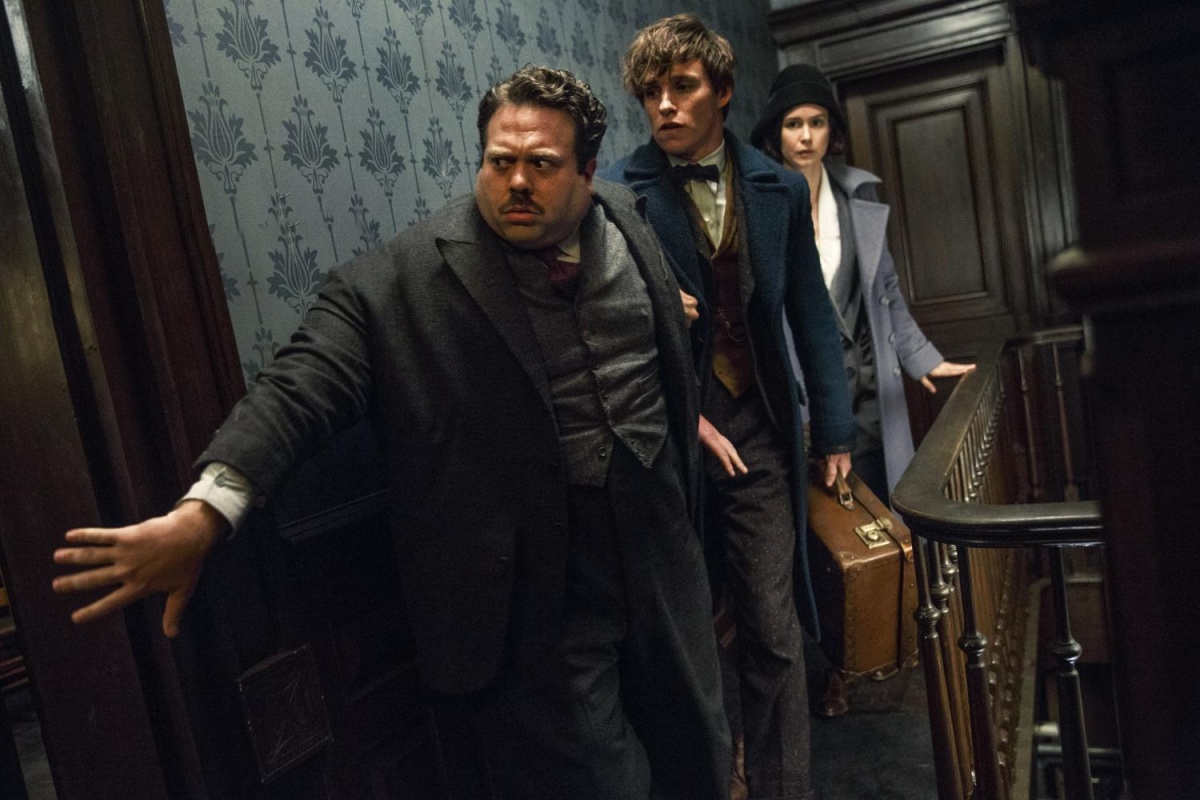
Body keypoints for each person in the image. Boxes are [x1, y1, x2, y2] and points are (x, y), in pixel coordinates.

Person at [52, 66, 731, 800]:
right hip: (541, 586)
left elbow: (667, 345)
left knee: (694, 747)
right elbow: (301, 386)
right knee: (597, 782)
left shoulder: (628, 215)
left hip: (660, 541)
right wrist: (205, 511)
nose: (517, 182)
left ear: (588, 172)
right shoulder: (399, 278)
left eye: (542, 164)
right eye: (499, 161)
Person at [601, 15, 856, 800]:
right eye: (651, 93)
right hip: (670, 433)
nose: (664, 106)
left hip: (760, 427)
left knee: (772, 626)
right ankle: (720, 776)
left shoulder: (776, 186)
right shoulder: (618, 192)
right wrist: (654, 307)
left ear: (721, 91)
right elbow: (596, 323)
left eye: (681, 88)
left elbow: (812, 315)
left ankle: (783, 787)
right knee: (694, 633)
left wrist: (835, 431)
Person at [751, 63, 974, 505]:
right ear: (777, 133)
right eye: (793, 124)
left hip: (868, 391)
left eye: (817, 122)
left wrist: (923, 358)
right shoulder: (760, 205)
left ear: (830, 130)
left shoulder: (857, 196)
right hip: (804, 393)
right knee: (821, 517)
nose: (806, 136)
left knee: (879, 509)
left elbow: (885, 288)